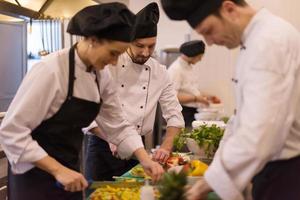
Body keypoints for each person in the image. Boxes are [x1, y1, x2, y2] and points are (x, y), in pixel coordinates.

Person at [0, 3, 164, 200]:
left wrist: (145, 160)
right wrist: (57, 170)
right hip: (34, 171)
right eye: (113, 53)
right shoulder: (50, 70)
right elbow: (11, 131)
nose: (114, 62)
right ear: (93, 40)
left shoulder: (101, 76)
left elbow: (118, 124)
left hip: (70, 169)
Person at [161, 0, 300, 199]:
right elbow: (240, 120)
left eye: (209, 31)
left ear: (229, 9)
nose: (209, 42)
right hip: (274, 171)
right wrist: (213, 172)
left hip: (287, 174)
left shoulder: (268, 42)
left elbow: (258, 132)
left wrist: (205, 185)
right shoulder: (256, 40)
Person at [85, 2, 184, 181]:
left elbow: (174, 114)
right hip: (104, 145)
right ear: (128, 41)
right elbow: (88, 111)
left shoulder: (160, 72)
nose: (146, 52)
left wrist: (166, 146)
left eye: (151, 46)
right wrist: (110, 137)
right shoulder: (110, 63)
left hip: (137, 149)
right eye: (140, 46)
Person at [168, 40, 221, 127]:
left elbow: (190, 89)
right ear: (192, 55)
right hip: (183, 111)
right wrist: (196, 99)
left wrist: (208, 96)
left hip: (192, 111)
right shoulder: (176, 69)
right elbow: (172, 96)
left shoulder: (189, 67)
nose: (200, 59)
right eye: (200, 57)